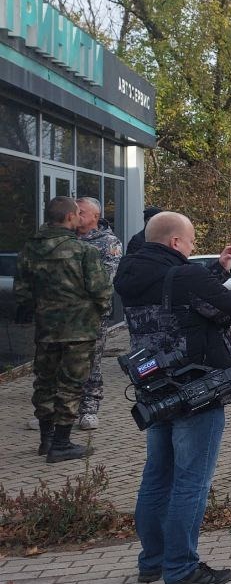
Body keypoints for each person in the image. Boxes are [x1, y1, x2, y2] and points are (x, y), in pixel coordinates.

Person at [114, 211, 231, 584]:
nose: (193, 249)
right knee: (191, 481)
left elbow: (181, 302)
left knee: (156, 477)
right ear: (176, 242)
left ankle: (154, 562)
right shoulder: (184, 275)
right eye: (192, 242)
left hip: (156, 388)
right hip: (198, 390)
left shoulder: (130, 274)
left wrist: (216, 269)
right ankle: (181, 569)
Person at [14, 196, 113, 462]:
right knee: (71, 385)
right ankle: (62, 443)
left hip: (46, 329)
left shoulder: (29, 250)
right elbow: (102, 291)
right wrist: (98, 312)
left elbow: (22, 294)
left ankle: (45, 440)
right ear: (70, 217)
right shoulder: (83, 251)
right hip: (78, 330)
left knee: (44, 382)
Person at [75, 197, 123, 430]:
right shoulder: (64, 238)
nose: (77, 215)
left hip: (92, 314)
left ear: (95, 216)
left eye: (81, 212)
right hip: (63, 315)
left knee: (91, 361)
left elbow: (105, 279)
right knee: (62, 362)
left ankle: (89, 408)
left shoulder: (108, 242)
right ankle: (59, 410)